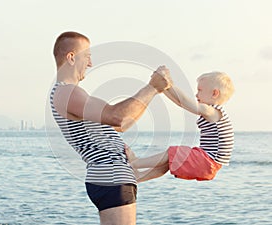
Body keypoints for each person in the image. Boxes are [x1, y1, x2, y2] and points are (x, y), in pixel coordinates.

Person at [49, 31, 171, 225]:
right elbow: (117, 116)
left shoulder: (71, 93)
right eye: (87, 56)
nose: (90, 63)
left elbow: (123, 124)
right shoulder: (67, 92)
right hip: (111, 176)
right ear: (71, 57)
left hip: (113, 175)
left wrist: (153, 92)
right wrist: (152, 87)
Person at [128, 70, 235, 182]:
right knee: (169, 162)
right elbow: (181, 103)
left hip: (208, 162)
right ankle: (139, 177)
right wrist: (161, 87)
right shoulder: (215, 112)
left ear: (214, 93)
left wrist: (168, 83)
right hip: (209, 163)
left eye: (200, 90)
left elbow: (184, 101)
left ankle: (135, 163)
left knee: (171, 153)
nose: (196, 94)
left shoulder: (211, 111)